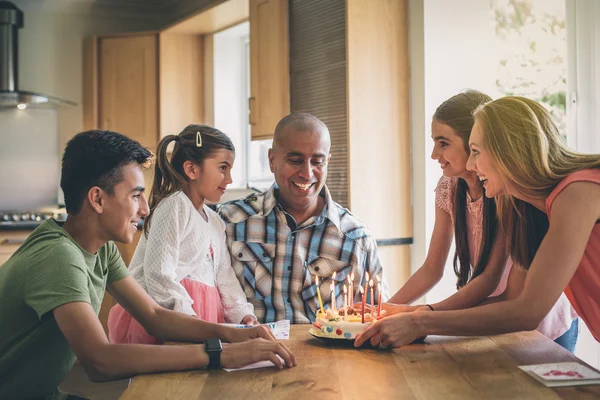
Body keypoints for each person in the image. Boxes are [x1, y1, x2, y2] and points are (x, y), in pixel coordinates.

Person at [0, 130, 295, 400]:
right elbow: (100, 361)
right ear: (97, 199)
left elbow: (154, 314)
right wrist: (219, 354)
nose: (145, 208)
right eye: (136, 195)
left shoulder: (102, 251)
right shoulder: (59, 256)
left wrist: (236, 334)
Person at [355, 96, 600, 349]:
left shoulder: (576, 192)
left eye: (476, 152)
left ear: (508, 151)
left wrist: (421, 321)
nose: (471, 164)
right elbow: (513, 299)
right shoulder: (536, 202)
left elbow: (528, 311)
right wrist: (415, 316)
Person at [219, 113, 388, 323]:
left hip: (327, 355)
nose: (307, 174)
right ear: (272, 161)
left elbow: (377, 319)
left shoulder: (356, 239)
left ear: (328, 162)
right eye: (295, 160)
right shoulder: (229, 222)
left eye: (318, 161)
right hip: (248, 353)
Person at [108, 125, 258, 345]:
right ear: (191, 170)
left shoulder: (214, 220)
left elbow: (225, 278)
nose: (229, 179)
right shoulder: (174, 206)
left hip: (201, 318)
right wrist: (188, 320)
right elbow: (159, 274)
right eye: (223, 168)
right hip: (171, 316)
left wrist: (243, 315)